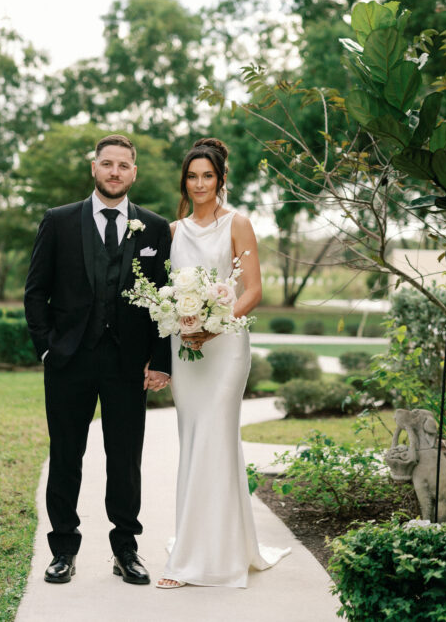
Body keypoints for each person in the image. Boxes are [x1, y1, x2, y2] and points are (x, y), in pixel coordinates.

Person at [23, 134, 172, 586]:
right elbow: (35, 291)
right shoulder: (60, 221)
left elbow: (164, 300)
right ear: (93, 168)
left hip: (128, 364)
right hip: (69, 361)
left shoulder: (155, 227)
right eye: (106, 164)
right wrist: (48, 346)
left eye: (122, 165)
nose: (114, 172)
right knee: (66, 455)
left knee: (125, 459)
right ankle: (63, 549)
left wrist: (160, 359)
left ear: (133, 173)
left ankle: (125, 548)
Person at [156, 137, 290, 589]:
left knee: (215, 436)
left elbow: (252, 290)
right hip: (186, 352)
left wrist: (214, 325)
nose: (199, 184)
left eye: (207, 175)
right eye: (192, 176)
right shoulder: (173, 232)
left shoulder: (239, 224)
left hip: (226, 347)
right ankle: (204, 547)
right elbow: (166, 293)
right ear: (184, 181)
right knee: (195, 443)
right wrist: (181, 320)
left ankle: (204, 561)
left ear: (220, 179)